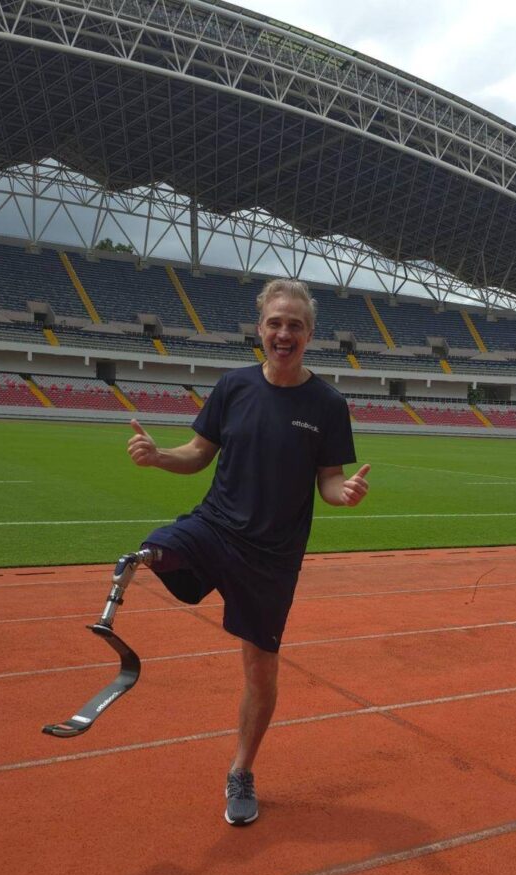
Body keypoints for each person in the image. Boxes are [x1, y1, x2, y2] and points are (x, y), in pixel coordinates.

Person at [127, 278, 370, 825]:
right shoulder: (232, 386)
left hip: (273, 557)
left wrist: (345, 494)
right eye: (276, 323)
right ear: (260, 328)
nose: (285, 333)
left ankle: (241, 770)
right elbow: (196, 453)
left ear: (310, 335)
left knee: (259, 671)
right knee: (159, 547)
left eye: (296, 325)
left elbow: (328, 481)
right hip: (217, 526)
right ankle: (138, 567)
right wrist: (157, 456)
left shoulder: (328, 403)